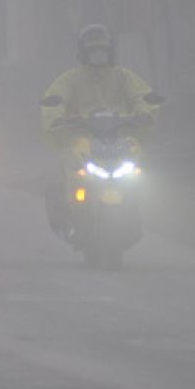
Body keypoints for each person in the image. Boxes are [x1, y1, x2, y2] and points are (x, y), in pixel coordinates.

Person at [41, 24, 161, 236]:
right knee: (61, 175)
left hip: (120, 139)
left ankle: (134, 206)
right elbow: (55, 99)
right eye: (93, 50)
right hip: (81, 138)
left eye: (102, 50)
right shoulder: (71, 78)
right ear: (83, 53)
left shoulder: (123, 76)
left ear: (110, 51)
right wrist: (57, 117)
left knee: (140, 174)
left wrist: (145, 112)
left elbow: (141, 96)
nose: (98, 55)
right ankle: (69, 215)